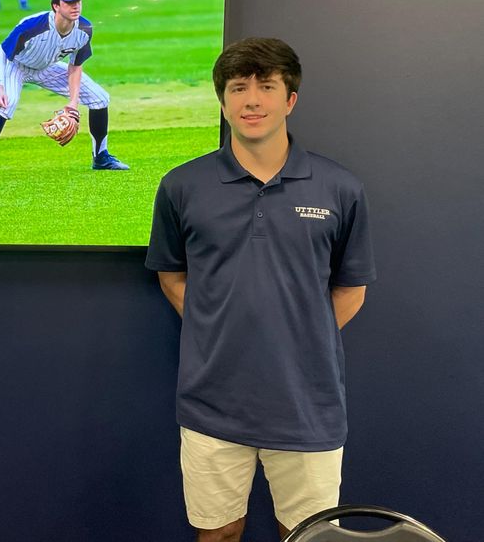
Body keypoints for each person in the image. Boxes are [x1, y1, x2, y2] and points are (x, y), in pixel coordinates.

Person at [145, 38, 376, 542]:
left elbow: (350, 291)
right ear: (223, 101)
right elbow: (171, 277)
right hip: (212, 403)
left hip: (307, 404)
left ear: (289, 100)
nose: (252, 101)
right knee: (219, 533)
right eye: (239, 88)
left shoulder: (340, 188)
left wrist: (294, 337)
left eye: (266, 86)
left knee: (307, 535)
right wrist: (221, 330)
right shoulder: (181, 186)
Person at [0, 0, 129, 180]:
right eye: (69, 2)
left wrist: (73, 103)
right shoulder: (32, 26)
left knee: (100, 98)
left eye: (78, 1)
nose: (76, 6)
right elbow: (1, 51)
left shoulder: (84, 30)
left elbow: (75, 67)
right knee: (8, 104)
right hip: (16, 65)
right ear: (55, 5)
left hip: (46, 67)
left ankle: (101, 157)